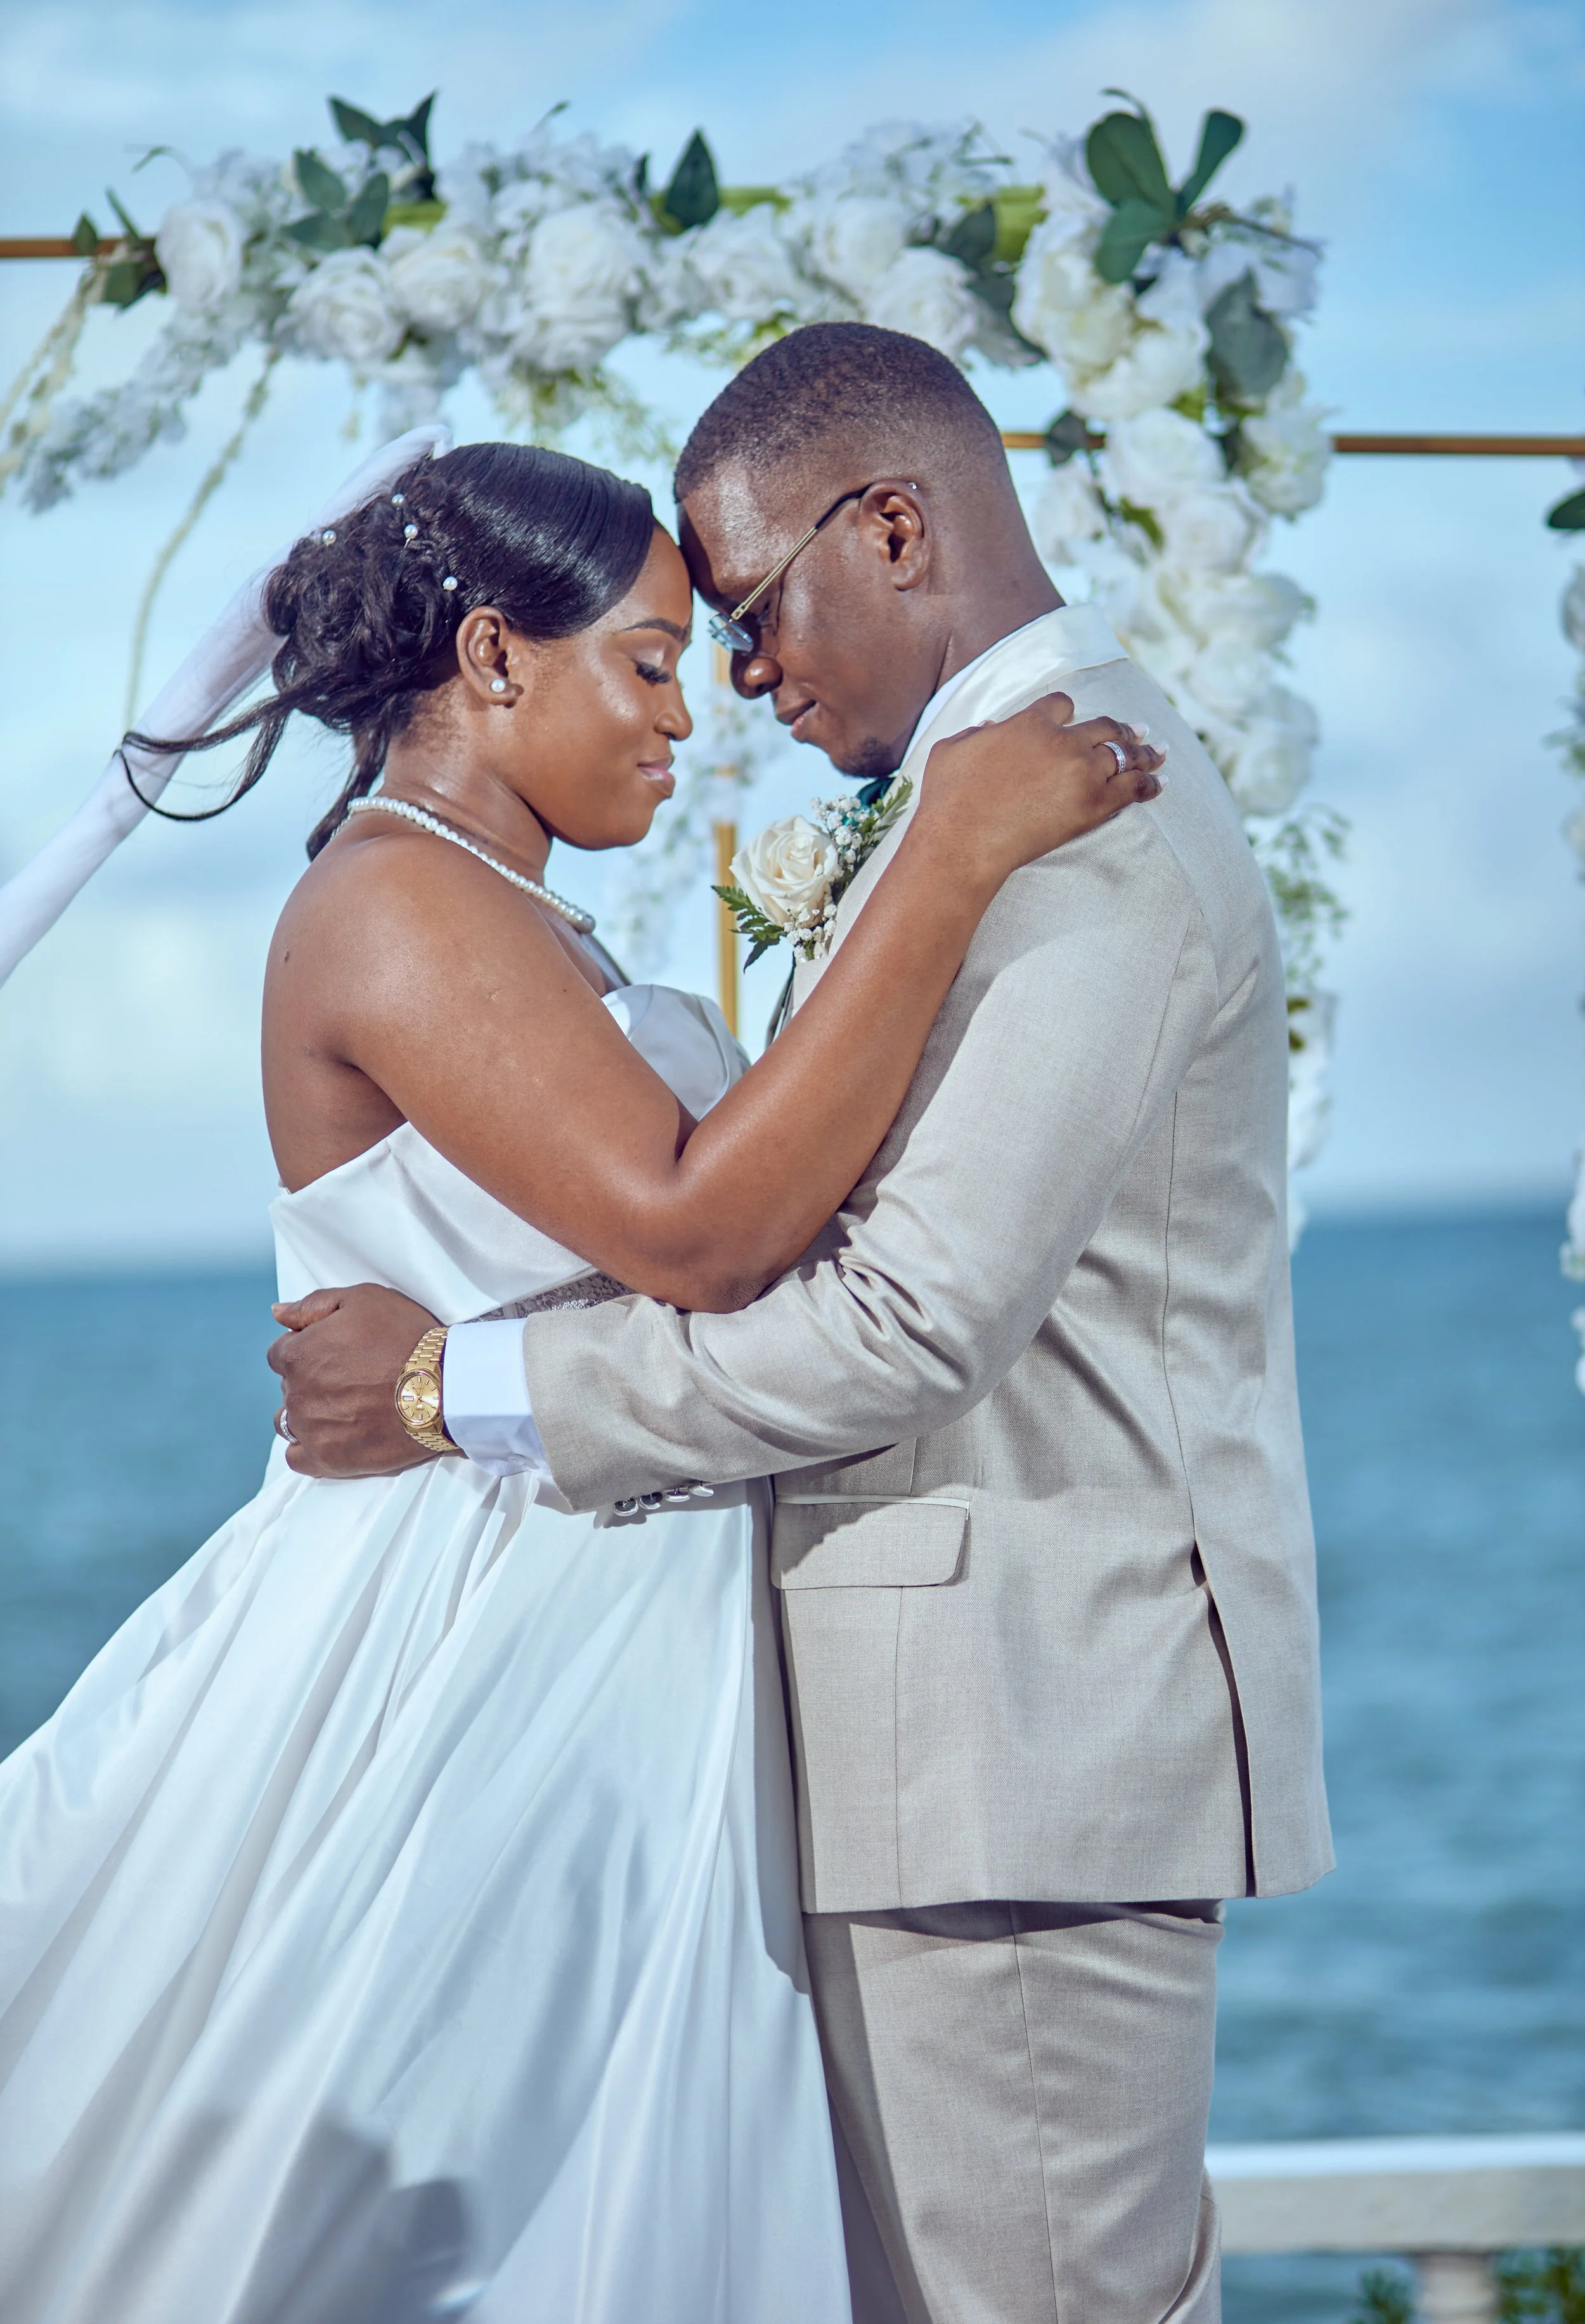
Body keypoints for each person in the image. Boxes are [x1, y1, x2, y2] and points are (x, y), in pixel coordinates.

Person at [0, 418, 1160, 2323]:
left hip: (594, 1623)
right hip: (466, 1649)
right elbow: (700, 1230)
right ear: (487, 657)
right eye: (643, 662)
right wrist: (944, 860)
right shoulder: (396, 899)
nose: (682, 722)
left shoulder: (506, 905)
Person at [274, 325, 1333, 2324]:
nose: (746, 686)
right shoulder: (987, 806)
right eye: (689, 648)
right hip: (909, 1750)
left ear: (897, 526)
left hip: (1007, 1735)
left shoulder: (1067, 817)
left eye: (747, 615)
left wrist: (449, 1382)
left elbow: (907, 1321)